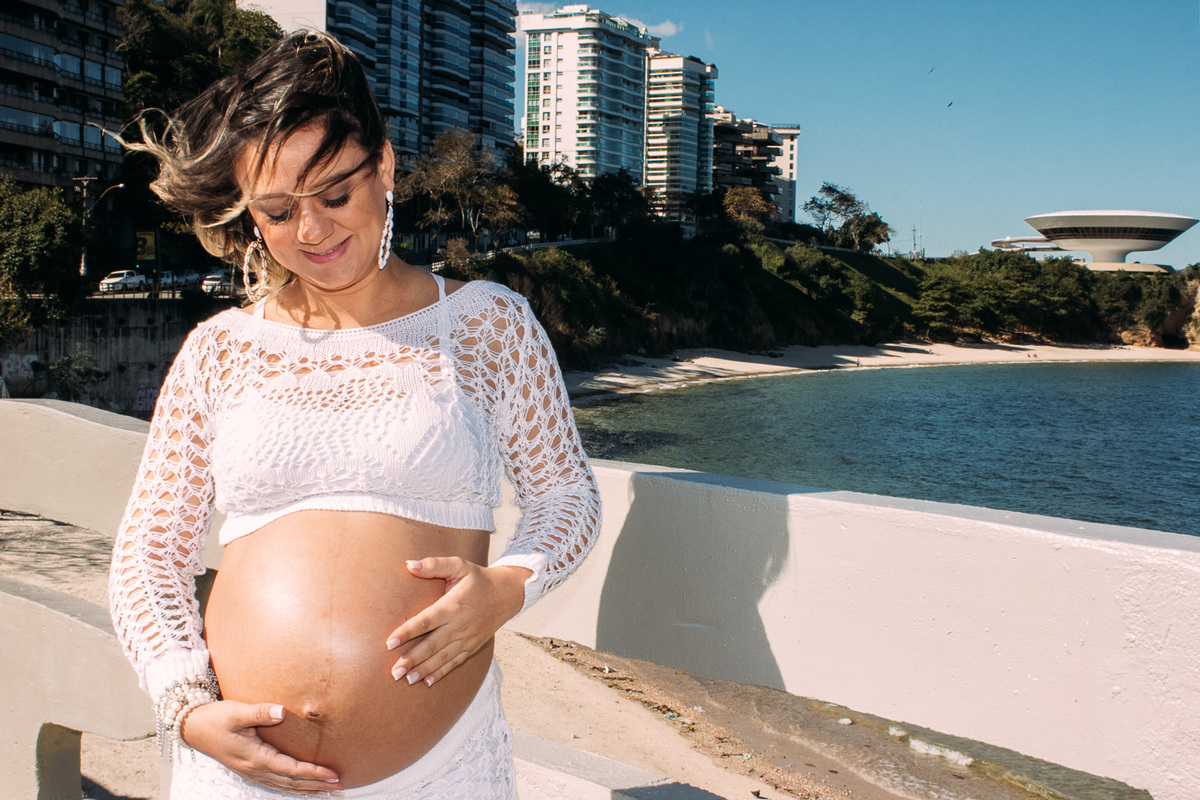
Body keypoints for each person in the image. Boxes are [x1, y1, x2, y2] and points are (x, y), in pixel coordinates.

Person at [108, 30, 600, 800]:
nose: (312, 231)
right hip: (232, 773)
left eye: (335, 194)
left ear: (386, 167)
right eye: (276, 211)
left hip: (440, 772)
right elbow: (148, 551)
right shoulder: (220, 350)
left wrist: (510, 585)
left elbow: (566, 493)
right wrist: (183, 705)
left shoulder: (485, 324)